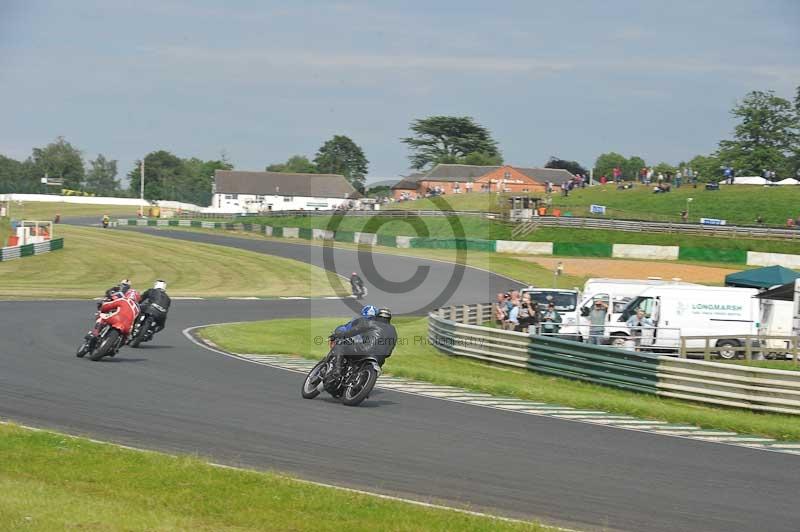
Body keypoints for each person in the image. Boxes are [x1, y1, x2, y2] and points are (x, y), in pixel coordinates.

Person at [329, 307, 397, 378]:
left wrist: (338, 335)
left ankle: (336, 370)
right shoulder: (393, 330)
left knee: (340, 346)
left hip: (364, 350)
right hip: (380, 358)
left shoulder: (370, 322)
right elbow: (390, 350)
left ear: (377, 316)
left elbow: (353, 331)